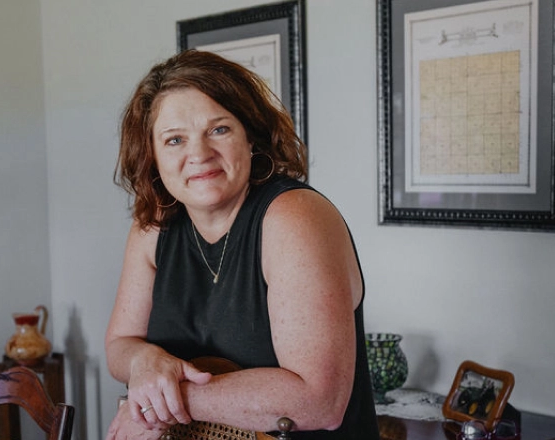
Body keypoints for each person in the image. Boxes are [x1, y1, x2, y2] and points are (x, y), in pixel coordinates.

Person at [105, 49, 379, 440]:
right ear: (151, 155)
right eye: (174, 139)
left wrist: (157, 404)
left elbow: (321, 401)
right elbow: (119, 344)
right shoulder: (154, 224)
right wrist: (145, 361)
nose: (198, 154)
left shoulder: (295, 217)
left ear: (250, 135)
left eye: (219, 129)